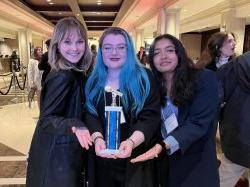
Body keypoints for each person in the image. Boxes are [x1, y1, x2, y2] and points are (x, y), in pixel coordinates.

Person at [131, 34, 220, 187]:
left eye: (169, 50)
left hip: (195, 161)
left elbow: (198, 123)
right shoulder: (153, 85)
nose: (163, 56)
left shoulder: (204, 79)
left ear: (179, 52)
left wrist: (164, 145)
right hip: (165, 163)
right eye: (157, 53)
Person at [84, 27, 161, 187]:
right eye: (108, 47)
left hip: (135, 159)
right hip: (102, 160)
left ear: (129, 50)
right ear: (101, 51)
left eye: (120, 47)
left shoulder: (144, 78)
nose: (114, 52)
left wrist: (132, 142)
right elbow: (90, 113)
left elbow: (150, 117)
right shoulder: (93, 80)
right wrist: (97, 137)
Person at [26, 17, 92, 187]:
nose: (75, 48)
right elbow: (46, 119)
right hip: (56, 159)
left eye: (79, 41)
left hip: (62, 154)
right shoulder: (63, 75)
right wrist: (76, 124)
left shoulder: (73, 71)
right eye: (68, 42)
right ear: (57, 45)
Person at [217, 51, 250, 187]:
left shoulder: (231, 68)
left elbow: (216, 103)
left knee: (223, 180)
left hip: (236, 137)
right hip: (237, 138)